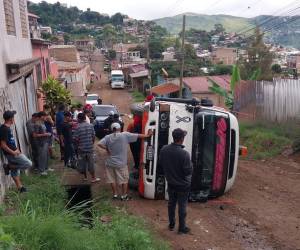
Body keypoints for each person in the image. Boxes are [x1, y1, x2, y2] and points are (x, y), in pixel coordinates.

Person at [98, 123, 152, 201]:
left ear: (112, 129)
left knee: (112, 179)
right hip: (121, 163)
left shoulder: (107, 137)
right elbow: (138, 135)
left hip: (110, 163)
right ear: (120, 128)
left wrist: (107, 149)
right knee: (125, 179)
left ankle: (115, 195)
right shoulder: (125, 135)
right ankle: (124, 196)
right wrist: (147, 135)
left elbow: (99, 144)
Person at [159, 128, 193, 235]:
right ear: (182, 139)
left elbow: (161, 163)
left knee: (171, 204)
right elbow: (188, 172)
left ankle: (171, 224)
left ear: (173, 137)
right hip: (183, 186)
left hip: (171, 184)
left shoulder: (164, 149)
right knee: (182, 206)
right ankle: (182, 228)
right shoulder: (185, 154)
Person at [0, 111, 32, 192]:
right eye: (13, 117)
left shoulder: (6, 128)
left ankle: (20, 188)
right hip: (12, 154)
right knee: (28, 163)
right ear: (11, 119)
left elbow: (10, 142)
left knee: (15, 171)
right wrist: (13, 152)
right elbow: (3, 145)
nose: (14, 119)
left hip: (14, 152)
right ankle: (9, 166)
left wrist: (17, 149)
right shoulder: (4, 129)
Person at [74, 113, 100, 183]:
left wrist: (77, 146)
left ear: (79, 119)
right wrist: (91, 143)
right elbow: (93, 136)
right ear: (85, 118)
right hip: (89, 148)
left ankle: (85, 177)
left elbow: (76, 139)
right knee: (91, 163)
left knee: (82, 163)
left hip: (81, 148)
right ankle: (93, 178)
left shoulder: (77, 127)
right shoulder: (90, 126)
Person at [33, 111, 52, 176]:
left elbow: (43, 131)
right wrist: (45, 134)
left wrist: (46, 134)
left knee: (46, 156)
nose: (46, 117)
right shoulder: (37, 124)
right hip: (40, 143)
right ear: (41, 116)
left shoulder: (42, 123)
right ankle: (41, 171)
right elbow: (35, 135)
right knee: (41, 157)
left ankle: (46, 168)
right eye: (45, 116)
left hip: (45, 141)